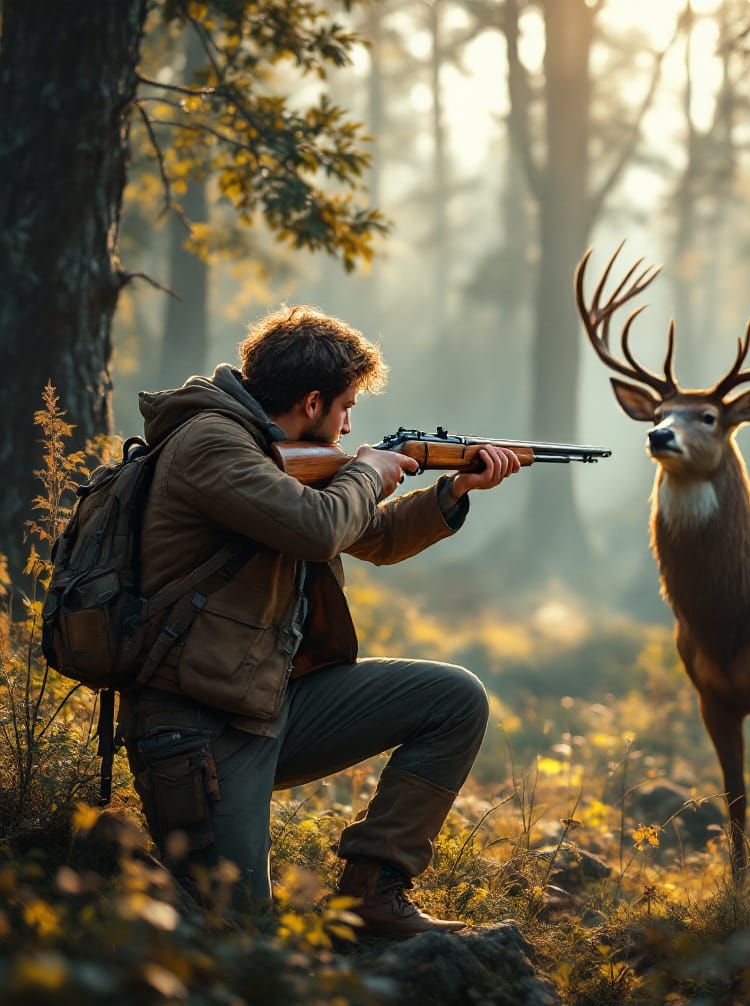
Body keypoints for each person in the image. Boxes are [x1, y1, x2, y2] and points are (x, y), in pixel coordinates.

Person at [120, 305, 520, 937]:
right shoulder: (212, 444)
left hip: (267, 704)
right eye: (345, 407)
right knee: (240, 936)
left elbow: (372, 534)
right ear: (311, 403)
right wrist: (368, 471)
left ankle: (373, 893)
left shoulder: (272, 452)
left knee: (454, 699)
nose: (349, 424)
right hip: (197, 729)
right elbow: (318, 528)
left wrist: (453, 491)